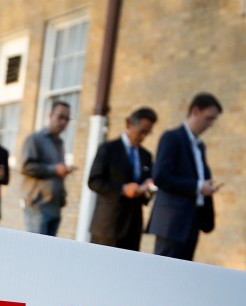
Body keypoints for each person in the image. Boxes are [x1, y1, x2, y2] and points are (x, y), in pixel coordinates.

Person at [148, 93, 223, 261]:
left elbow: (196, 177)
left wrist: (206, 184)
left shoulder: (200, 146)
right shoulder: (172, 138)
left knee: (183, 277)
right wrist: (198, 186)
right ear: (195, 111)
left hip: (192, 222)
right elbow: (161, 176)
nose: (210, 124)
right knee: (163, 275)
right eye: (208, 118)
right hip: (172, 223)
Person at [88, 107, 158, 251]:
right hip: (108, 226)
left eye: (147, 133)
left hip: (133, 227)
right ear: (129, 124)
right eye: (142, 131)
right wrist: (122, 189)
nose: (143, 137)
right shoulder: (108, 149)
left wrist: (148, 190)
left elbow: (146, 186)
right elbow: (94, 181)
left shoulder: (146, 155)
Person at [20, 100, 74, 236]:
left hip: (55, 205)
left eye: (67, 119)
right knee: (35, 251)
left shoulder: (59, 143)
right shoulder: (35, 139)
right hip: (38, 206)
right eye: (60, 117)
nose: (63, 122)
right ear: (50, 115)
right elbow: (25, 167)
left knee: (48, 252)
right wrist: (54, 169)